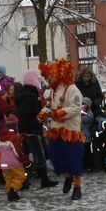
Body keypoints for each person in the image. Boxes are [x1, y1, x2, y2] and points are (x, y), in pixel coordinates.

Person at [39, 58, 85, 200]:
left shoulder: (72, 89)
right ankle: (67, 176)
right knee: (55, 157)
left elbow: (76, 108)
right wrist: (43, 113)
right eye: (48, 76)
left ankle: (77, 186)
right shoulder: (53, 90)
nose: (49, 78)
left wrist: (58, 113)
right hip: (55, 129)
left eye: (51, 75)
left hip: (70, 130)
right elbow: (49, 105)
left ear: (60, 73)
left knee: (73, 159)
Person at [17, 70, 57, 188]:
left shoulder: (26, 94)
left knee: (25, 155)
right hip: (31, 130)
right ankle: (44, 180)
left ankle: (24, 181)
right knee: (39, 155)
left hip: (29, 129)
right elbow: (24, 114)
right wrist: (25, 129)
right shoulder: (29, 96)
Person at [0, 114, 30, 202]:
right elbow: (17, 151)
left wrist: (20, 137)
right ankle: (13, 190)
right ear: (15, 125)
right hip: (13, 162)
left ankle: (10, 194)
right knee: (21, 176)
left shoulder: (1, 136)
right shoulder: (13, 137)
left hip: (3, 162)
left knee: (8, 178)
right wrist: (26, 161)